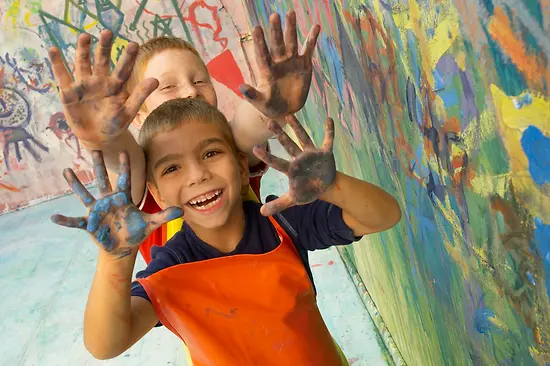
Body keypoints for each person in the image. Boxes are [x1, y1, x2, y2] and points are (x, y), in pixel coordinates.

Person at [51, 97, 402, 365]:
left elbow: (384, 215)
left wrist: (333, 186)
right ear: (156, 193)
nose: (197, 175)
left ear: (238, 164)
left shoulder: (283, 223)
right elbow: (104, 344)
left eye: (210, 153)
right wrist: (116, 258)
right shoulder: (170, 269)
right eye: (172, 167)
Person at [47, 11, 321, 263]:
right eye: (168, 86)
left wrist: (269, 111)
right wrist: (106, 139)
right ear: (138, 115)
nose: (191, 90)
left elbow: (244, 130)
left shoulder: (227, 148)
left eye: (201, 81)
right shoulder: (143, 171)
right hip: (189, 304)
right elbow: (125, 162)